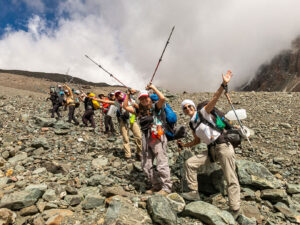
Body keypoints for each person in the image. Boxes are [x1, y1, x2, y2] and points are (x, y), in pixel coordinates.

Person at [177, 70, 241, 218]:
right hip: (211, 150)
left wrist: (223, 84)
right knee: (190, 163)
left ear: (194, 107)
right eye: (185, 108)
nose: (187, 109)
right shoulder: (192, 125)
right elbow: (197, 141)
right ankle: (193, 193)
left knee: (230, 177)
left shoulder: (204, 113)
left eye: (189, 106)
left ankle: (235, 208)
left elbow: (214, 98)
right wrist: (184, 145)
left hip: (223, 146)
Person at [123, 84, 172, 195]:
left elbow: (163, 98)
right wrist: (128, 94)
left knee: (161, 161)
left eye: (146, 97)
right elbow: (125, 106)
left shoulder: (155, 107)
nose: (144, 100)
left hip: (157, 136)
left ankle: (167, 188)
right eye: (141, 98)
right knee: (146, 163)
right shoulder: (138, 110)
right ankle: (156, 185)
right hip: (145, 136)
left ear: (149, 98)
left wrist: (153, 87)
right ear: (139, 100)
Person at [95, 90, 142, 160]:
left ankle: (139, 153)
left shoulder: (131, 100)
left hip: (132, 120)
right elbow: (106, 101)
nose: (119, 96)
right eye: (117, 95)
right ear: (116, 97)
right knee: (125, 138)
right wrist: (96, 99)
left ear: (122, 94)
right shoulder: (117, 103)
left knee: (138, 137)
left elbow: (139, 107)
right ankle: (128, 155)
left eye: (120, 94)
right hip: (123, 121)